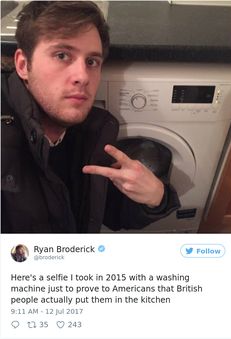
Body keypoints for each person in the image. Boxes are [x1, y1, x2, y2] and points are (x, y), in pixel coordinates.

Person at [1, 1, 180, 233]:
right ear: (23, 64)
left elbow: (104, 209)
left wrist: (157, 197)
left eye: (92, 61)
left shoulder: (91, 132)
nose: (82, 76)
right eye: (62, 55)